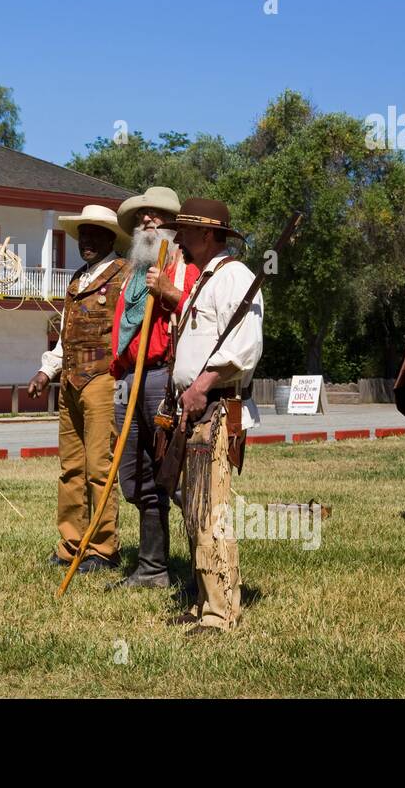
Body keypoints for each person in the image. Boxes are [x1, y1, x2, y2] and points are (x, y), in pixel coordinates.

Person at [169, 198, 263, 633]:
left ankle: (221, 610)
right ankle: (204, 599)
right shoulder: (204, 281)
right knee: (194, 510)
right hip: (194, 408)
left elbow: (243, 348)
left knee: (211, 511)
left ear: (207, 235)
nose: (178, 240)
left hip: (215, 407)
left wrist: (201, 386)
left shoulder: (235, 278)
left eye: (185, 233)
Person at [27, 205, 129, 573]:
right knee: (70, 467)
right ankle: (71, 543)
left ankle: (102, 548)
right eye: (81, 235)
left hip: (104, 380)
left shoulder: (126, 276)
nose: (85, 241)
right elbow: (64, 339)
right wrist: (46, 371)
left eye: (93, 234)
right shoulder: (76, 280)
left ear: (110, 238)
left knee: (99, 467)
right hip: (70, 381)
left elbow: (129, 334)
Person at [107, 187, 199, 589]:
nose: (148, 221)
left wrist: (168, 293)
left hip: (163, 375)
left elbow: (200, 310)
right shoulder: (131, 275)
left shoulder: (187, 269)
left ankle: (203, 565)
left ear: (175, 227)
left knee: (172, 475)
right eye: (144, 216)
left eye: (158, 216)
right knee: (134, 476)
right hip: (128, 379)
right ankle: (152, 567)